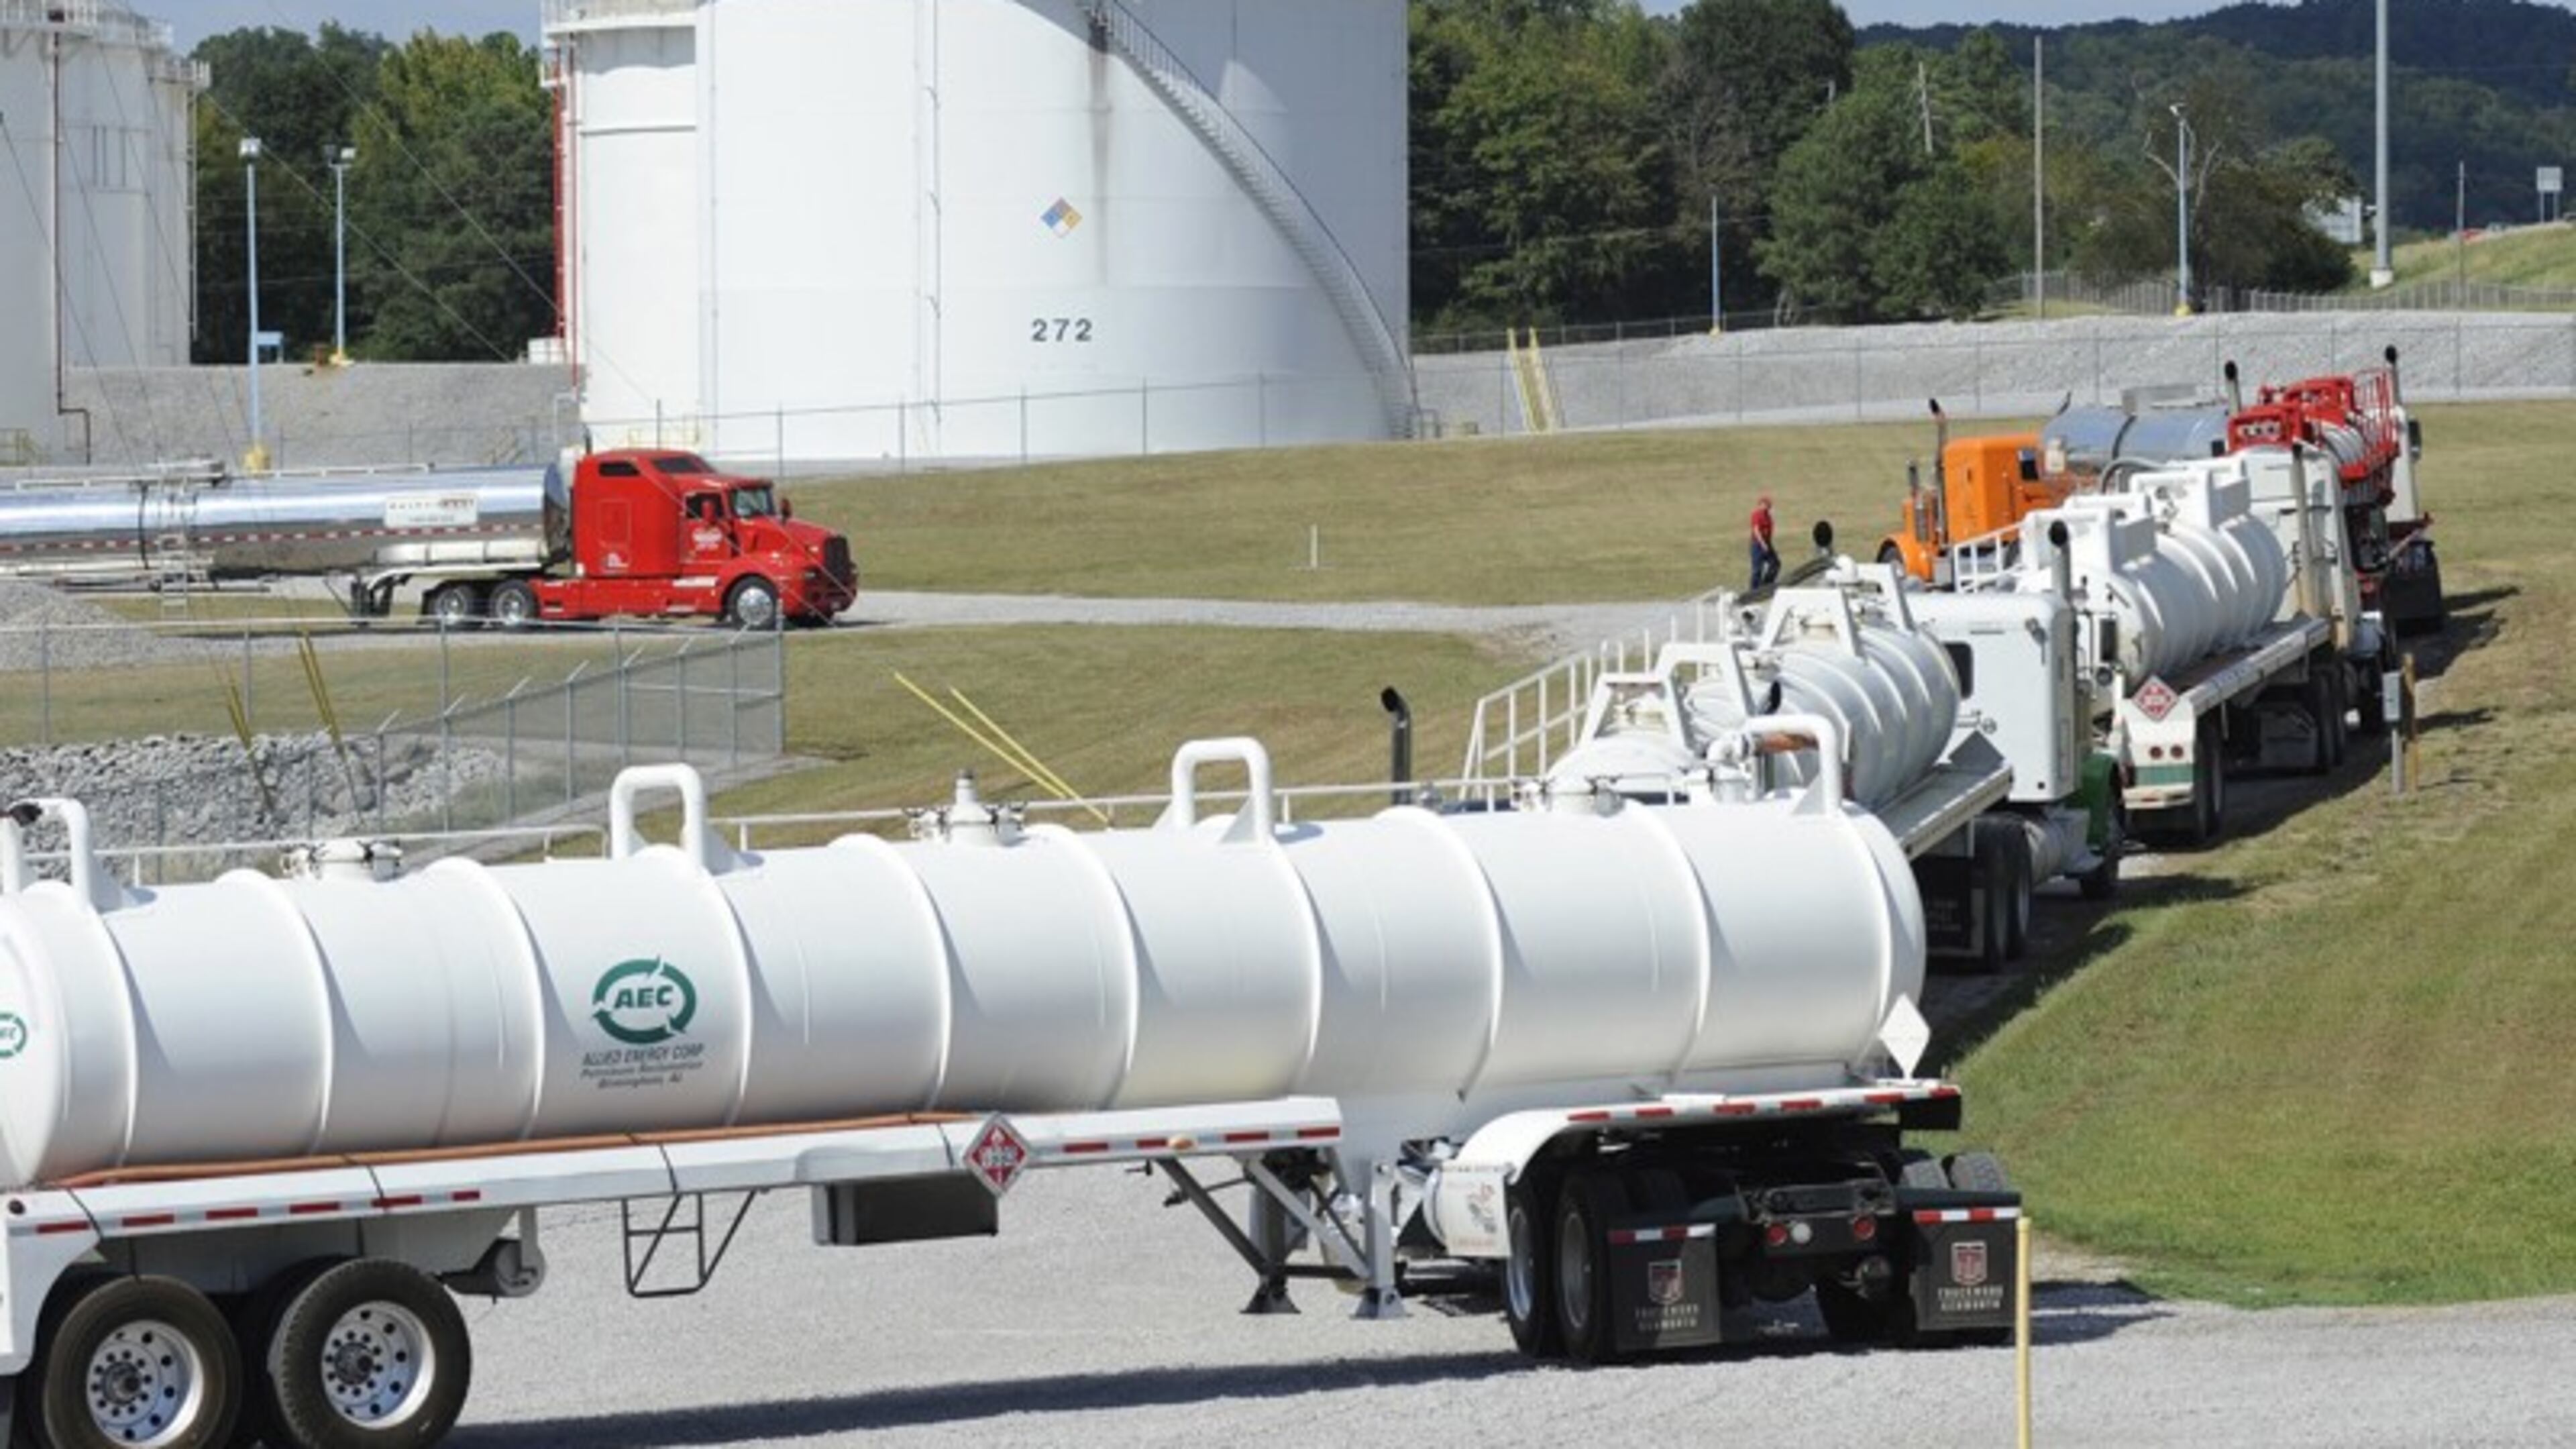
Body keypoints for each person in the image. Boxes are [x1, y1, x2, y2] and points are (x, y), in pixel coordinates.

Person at [1748, 493, 1780, 590]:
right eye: (1766, 504)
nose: (1768, 506)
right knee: (1757, 569)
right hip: (1757, 545)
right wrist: (1763, 544)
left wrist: (1768, 544)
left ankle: (1766, 584)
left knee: (1775, 564)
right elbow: (1756, 530)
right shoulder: (1756, 514)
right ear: (1760, 505)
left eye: (1769, 504)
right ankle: (1753, 590)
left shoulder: (1768, 516)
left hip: (1767, 543)